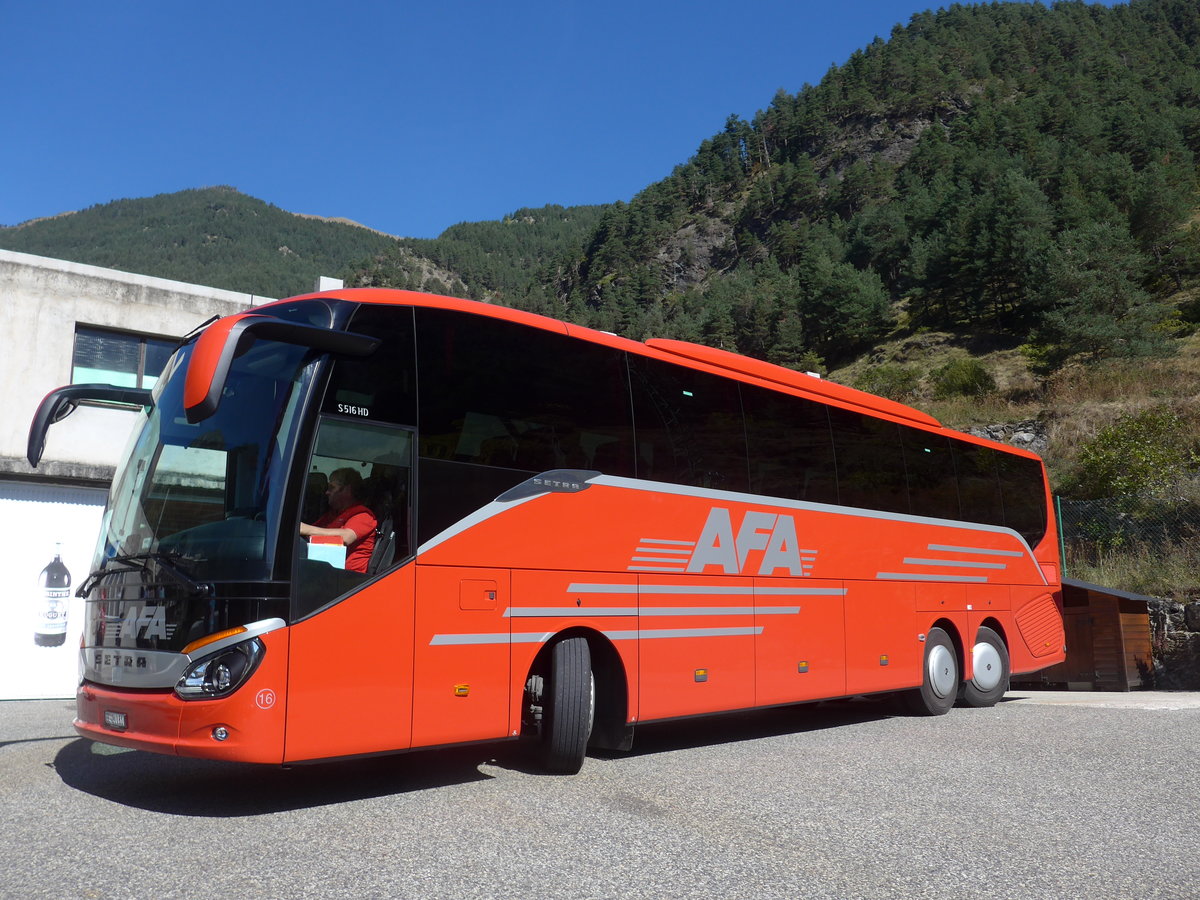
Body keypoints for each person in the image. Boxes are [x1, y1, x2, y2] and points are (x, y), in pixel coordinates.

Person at [300, 467, 377, 573]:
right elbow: (309, 534)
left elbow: (346, 537)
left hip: (350, 578)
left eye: (331, 488)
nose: (327, 492)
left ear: (347, 490)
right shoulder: (334, 514)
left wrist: (304, 528)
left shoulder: (363, 515)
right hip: (329, 571)